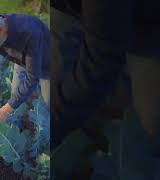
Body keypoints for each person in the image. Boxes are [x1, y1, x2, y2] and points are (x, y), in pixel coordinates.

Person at [51, 0, 160, 178]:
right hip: (69, 9)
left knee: (147, 128)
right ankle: (75, 152)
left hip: (150, 26)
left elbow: (100, 61)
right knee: (56, 92)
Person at [0, 6, 51, 126]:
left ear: (1, 30)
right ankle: (22, 127)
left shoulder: (30, 32)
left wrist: (5, 109)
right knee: (16, 100)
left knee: (48, 109)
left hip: (47, 63)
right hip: (21, 61)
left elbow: (32, 77)